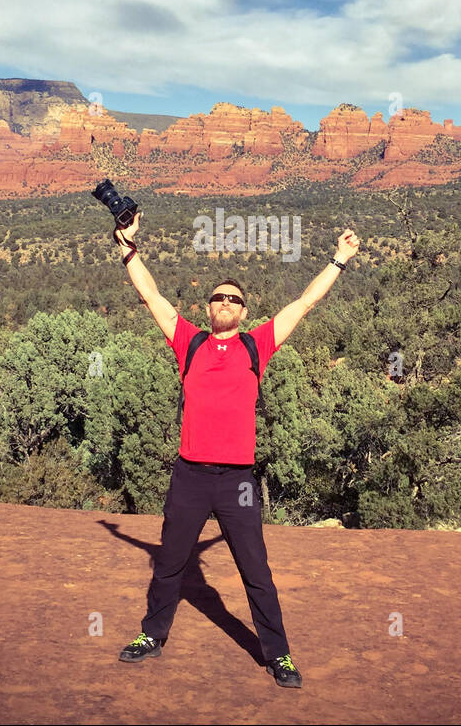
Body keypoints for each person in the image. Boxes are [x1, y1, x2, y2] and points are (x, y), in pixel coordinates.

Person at [112, 210, 361, 687]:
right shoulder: (188, 341)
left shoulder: (257, 345)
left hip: (238, 482)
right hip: (189, 476)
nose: (225, 302)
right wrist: (127, 247)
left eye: (234, 299)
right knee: (168, 562)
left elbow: (304, 303)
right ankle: (152, 634)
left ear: (244, 311)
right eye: (218, 297)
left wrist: (339, 259)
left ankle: (278, 654)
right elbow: (151, 296)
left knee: (255, 568)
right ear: (208, 307)